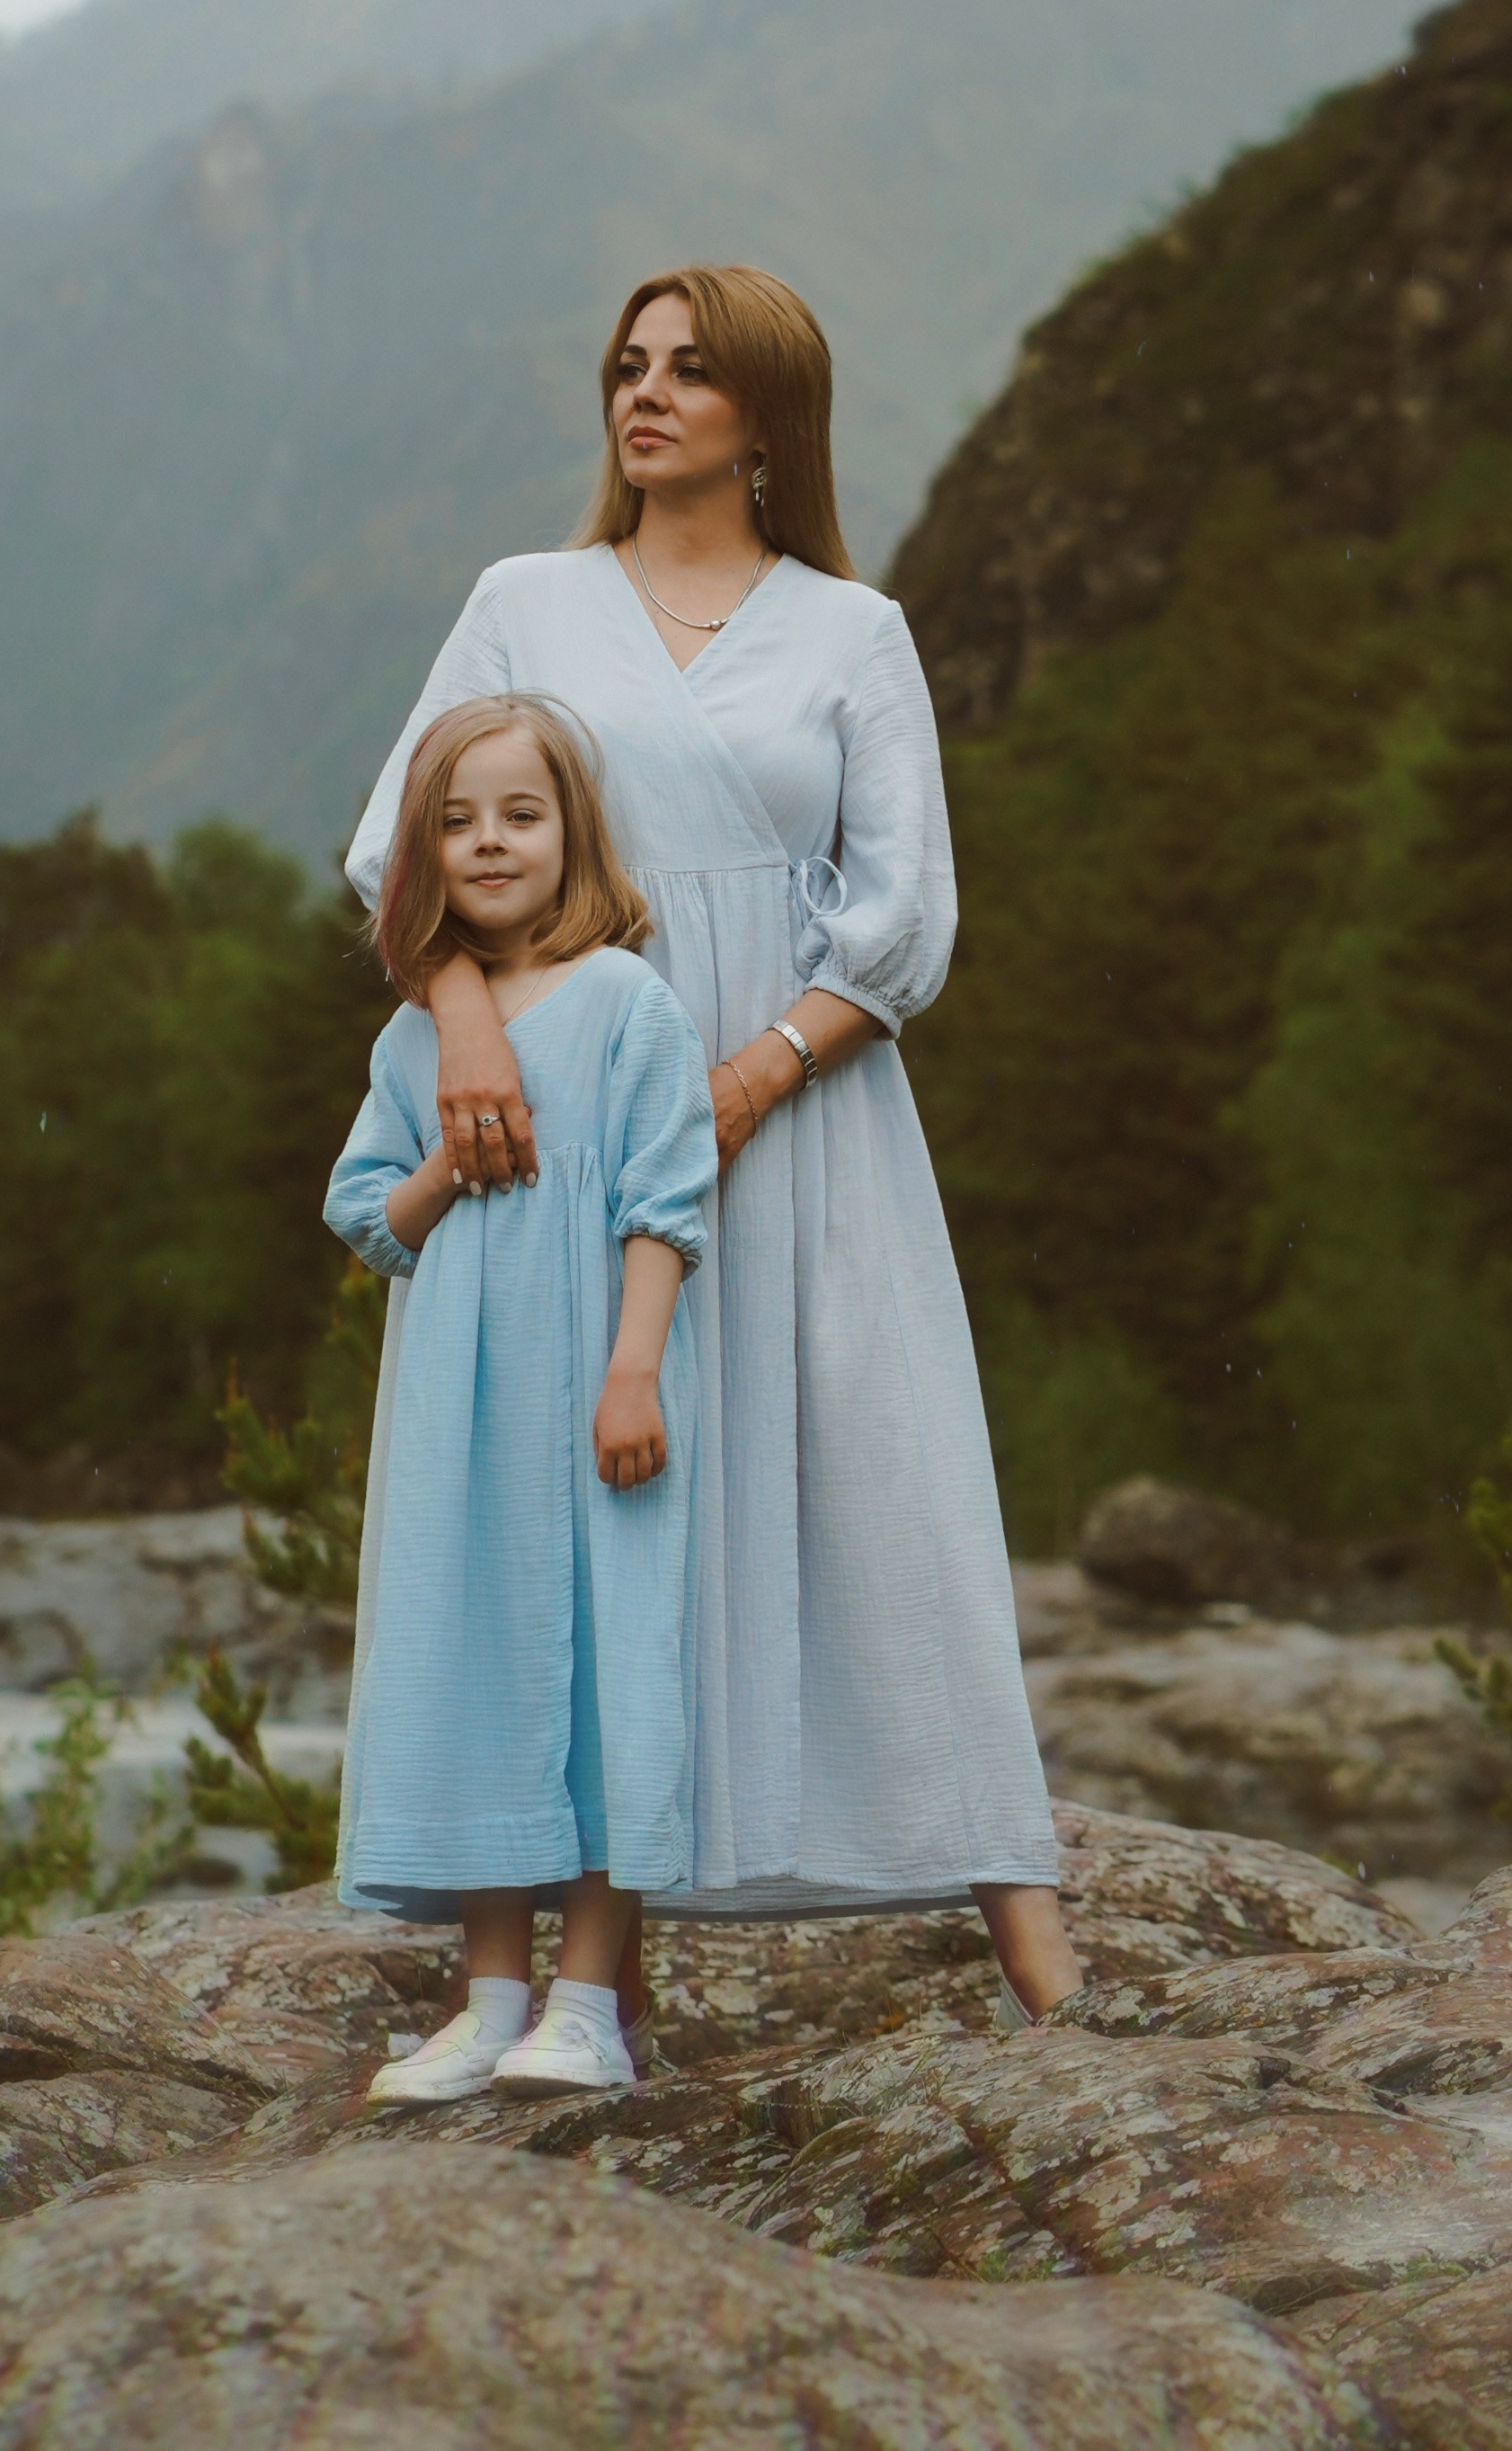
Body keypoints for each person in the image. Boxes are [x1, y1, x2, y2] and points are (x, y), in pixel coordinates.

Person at [346, 263, 1082, 2027]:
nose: (645, 392)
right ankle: (574, 1982)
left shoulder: (852, 631)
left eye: (688, 368)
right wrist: (464, 1023)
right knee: (586, 1512)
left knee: (887, 1482)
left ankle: (1032, 1926)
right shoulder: (523, 602)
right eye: (627, 364)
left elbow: (906, 916)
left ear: (769, 412)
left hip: (808, 1117)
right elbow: (398, 846)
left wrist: (754, 1073)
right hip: (556, 1121)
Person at [326, 692, 716, 2103]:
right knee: (476, 1660)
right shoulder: (415, 1044)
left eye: (520, 813)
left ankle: (588, 2003)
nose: (489, 840)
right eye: (456, 820)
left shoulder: (626, 1003)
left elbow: (666, 1202)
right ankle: (489, 1998)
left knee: (612, 1668)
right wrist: (446, 1160)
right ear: (425, 853)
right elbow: (367, 1217)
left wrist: (633, 1370)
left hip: (602, 1391)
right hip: (463, 1416)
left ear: (573, 835)